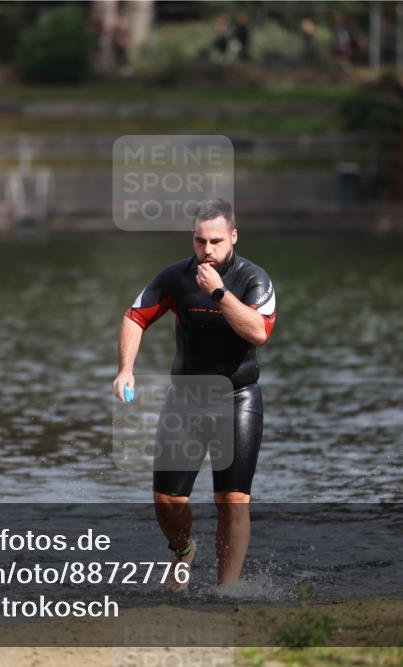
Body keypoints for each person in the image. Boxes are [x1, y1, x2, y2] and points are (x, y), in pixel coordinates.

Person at [113, 199, 276, 590]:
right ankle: (185, 550)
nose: (207, 250)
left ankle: (226, 590)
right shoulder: (176, 278)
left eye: (216, 241)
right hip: (186, 399)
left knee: (232, 500)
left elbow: (259, 332)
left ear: (233, 237)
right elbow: (136, 316)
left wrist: (219, 294)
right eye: (200, 241)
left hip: (237, 399)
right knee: (168, 501)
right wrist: (126, 370)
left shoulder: (254, 279)